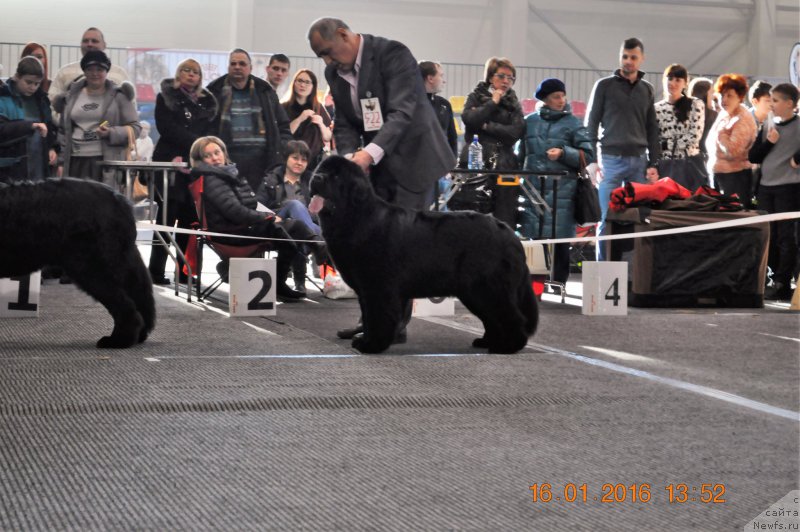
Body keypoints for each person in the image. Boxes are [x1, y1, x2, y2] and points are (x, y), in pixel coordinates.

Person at [307, 17, 454, 342]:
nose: (327, 61)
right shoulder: (334, 73)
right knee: (372, 245)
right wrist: (350, 157)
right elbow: (345, 121)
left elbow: (403, 112)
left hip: (414, 159)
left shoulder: (393, 54)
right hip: (376, 163)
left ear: (344, 35)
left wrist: (369, 154)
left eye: (328, 52)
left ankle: (391, 326)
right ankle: (374, 320)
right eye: (321, 56)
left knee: (398, 246)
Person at [189, 136, 306, 300]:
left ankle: (230, 269)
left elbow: (250, 204)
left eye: (217, 152)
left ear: (224, 153)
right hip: (232, 233)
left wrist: (269, 215)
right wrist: (266, 217)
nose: (215, 158)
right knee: (290, 232)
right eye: (208, 156)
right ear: (200, 160)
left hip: (241, 226)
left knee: (295, 228)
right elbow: (236, 212)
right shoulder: (212, 179)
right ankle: (280, 282)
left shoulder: (227, 174)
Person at [585, 37, 661, 260]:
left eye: (633, 57)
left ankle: (633, 273)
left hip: (639, 161)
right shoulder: (604, 86)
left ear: (642, 59)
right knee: (605, 218)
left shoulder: (647, 89)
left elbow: (652, 128)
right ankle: (603, 270)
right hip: (610, 160)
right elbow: (591, 124)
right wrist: (591, 160)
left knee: (637, 219)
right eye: (625, 56)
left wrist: (654, 163)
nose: (628, 61)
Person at [148, 58, 218, 286]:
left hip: (195, 165)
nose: (191, 74)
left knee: (190, 220)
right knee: (166, 218)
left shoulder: (207, 103)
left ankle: (185, 270)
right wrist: (196, 143)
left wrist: (199, 151)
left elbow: (210, 132)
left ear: (200, 77)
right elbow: (166, 127)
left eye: (195, 71)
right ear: (179, 74)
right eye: (186, 70)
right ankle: (155, 270)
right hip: (169, 162)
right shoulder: (165, 97)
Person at [518, 78, 594, 287]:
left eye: (563, 96)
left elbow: (588, 154)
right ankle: (536, 288)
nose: (562, 100)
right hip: (534, 191)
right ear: (545, 99)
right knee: (535, 241)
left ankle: (559, 285)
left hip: (564, 192)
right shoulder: (529, 122)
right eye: (556, 97)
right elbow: (520, 155)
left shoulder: (573, 123)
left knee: (560, 243)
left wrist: (563, 153)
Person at [207, 48, 292, 192]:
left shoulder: (265, 91)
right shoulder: (214, 91)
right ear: (228, 67)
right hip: (226, 160)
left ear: (250, 68)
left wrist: (280, 148)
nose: (237, 67)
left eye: (242, 64)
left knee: (258, 202)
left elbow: (283, 126)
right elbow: (205, 127)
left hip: (261, 162)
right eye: (233, 64)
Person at [53, 50, 140, 184]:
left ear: (106, 71)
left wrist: (111, 133)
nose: (95, 73)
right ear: (84, 71)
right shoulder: (70, 96)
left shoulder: (119, 96)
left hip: (106, 162)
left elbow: (135, 128)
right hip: (75, 161)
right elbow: (63, 131)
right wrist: (61, 162)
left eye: (99, 69)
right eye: (90, 69)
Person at [748, 83, 800, 301]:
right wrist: (769, 142)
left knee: (786, 237)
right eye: (770, 100)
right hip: (766, 187)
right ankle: (769, 277)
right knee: (769, 235)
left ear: (790, 103)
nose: (771, 105)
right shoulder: (769, 124)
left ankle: (782, 281)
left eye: (776, 100)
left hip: (789, 187)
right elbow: (753, 156)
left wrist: (797, 158)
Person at [459, 56, 525, 227]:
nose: (506, 81)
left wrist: (487, 126)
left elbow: (515, 132)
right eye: (501, 76)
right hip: (477, 160)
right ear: (490, 77)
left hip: (505, 162)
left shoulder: (514, 103)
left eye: (510, 77)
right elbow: (470, 119)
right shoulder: (475, 96)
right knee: (474, 212)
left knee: (505, 215)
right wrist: (493, 103)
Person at [258, 140, 327, 293]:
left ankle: (300, 280)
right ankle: (315, 248)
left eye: (303, 160)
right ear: (286, 158)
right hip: (279, 223)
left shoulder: (312, 181)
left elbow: (322, 209)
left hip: (305, 225)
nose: (299, 163)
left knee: (304, 229)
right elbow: (257, 205)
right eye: (295, 158)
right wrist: (272, 216)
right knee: (294, 205)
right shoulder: (271, 179)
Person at [49, 28, 131, 117]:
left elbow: (129, 107)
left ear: (104, 45)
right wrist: (68, 122)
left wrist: (112, 125)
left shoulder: (120, 74)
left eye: (94, 41)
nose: (89, 44)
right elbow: (51, 105)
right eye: (85, 41)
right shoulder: (65, 72)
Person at [0, 56, 56, 183]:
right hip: (10, 171)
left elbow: (49, 127)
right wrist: (29, 126)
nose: (33, 87)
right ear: (17, 77)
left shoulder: (42, 101)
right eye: (28, 82)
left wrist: (51, 148)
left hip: (38, 165)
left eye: (37, 83)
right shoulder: (3, 98)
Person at [705, 73, 757, 207]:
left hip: (735, 177)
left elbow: (733, 151)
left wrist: (722, 135)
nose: (724, 100)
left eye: (729, 96)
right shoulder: (724, 114)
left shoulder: (742, 118)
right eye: (722, 95)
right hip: (720, 175)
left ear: (740, 97)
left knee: (733, 215)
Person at [652, 64, 706, 190]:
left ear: (685, 83)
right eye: (670, 79)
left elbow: (694, 136)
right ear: (664, 80)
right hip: (664, 165)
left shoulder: (695, 104)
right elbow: (654, 139)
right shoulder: (656, 108)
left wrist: (666, 145)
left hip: (689, 163)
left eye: (678, 80)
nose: (673, 83)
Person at [281, 69, 332, 169]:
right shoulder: (283, 107)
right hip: (289, 161)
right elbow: (284, 134)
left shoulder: (318, 107)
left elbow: (327, 137)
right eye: (299, 81)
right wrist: (300, 119)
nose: (302, 85)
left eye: (307, 82)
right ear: (294, 83)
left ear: (313, 86)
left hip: (313, 162)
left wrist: (321, 124)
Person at [419, 60, 457, 156]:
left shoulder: (445, 104)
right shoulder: (411, 105)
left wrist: (453, 160)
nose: (444, 81)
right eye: (441, 76)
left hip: (442, 161)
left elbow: (452, 138)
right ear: (430, 78)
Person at [689, 77, 718, 161]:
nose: (713, 97)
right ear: (705, 94)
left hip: (687, 159)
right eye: (712, 92)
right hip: (705, 159)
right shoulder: (713, 116)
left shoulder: (685, 112)